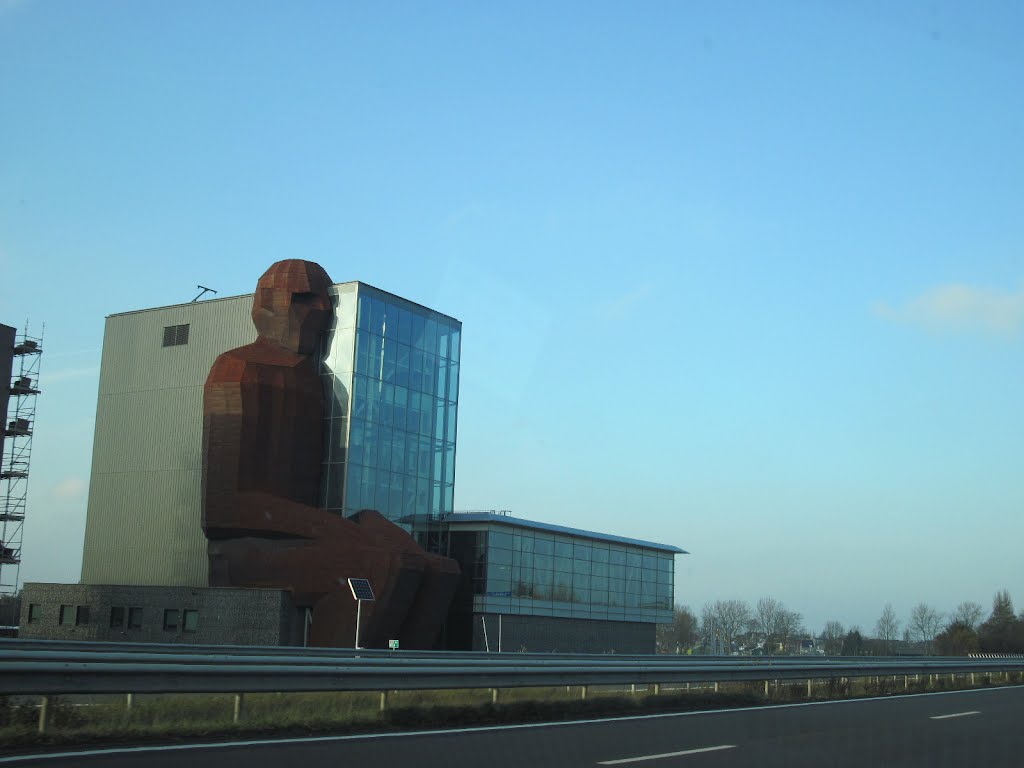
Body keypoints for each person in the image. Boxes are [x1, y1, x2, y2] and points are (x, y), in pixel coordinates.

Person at [202, 259, 459, 648]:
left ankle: (402, 676)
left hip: (302, 538)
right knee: (377, 563)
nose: (320, 310)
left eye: (325, 301)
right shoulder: (237, 368)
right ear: (266, 304)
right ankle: (333, 677)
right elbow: (223, 507)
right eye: (304, 298)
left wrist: (356, 527)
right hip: (244, 550)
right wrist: (341, 530)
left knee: (440, 569)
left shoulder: (312, 383)